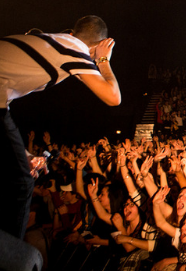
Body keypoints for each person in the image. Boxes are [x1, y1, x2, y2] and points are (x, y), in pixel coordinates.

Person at [0, 15, 121, 239]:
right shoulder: (75, 49)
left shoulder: (55, 42)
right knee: (22, 182)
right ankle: (10, 255)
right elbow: (113, 97)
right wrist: (103, 61)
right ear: (96, 46)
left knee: (19, 170)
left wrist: (24, 154)